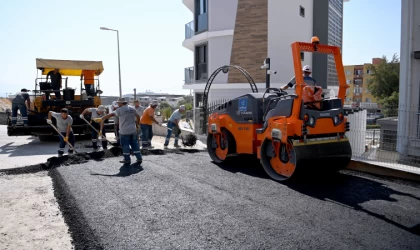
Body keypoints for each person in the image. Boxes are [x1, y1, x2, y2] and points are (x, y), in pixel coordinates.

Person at [99, 98, 142, 164]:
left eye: (118, 103)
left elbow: (110, 115)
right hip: (133, 130)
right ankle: (139, 158)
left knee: (125, 145)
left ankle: (127, 159)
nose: (118, 104)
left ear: (121, 103)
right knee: (135, 144)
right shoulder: (132, 108)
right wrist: (138, 125)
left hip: (124, 131)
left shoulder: (119, 110)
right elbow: (138, 116)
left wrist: (101, 118)